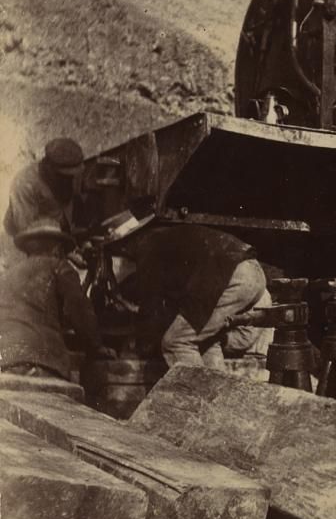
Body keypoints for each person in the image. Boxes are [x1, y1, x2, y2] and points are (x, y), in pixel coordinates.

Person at [103, 213, 273, 368]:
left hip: (231, 277)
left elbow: (151, 309)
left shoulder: (148, 247)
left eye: (118, 249)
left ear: (124, 244)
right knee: (204, 339)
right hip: (254, 272)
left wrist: (141, 345)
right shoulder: (166, 238)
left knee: (176, 342)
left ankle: (196, 399)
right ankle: (216, 396)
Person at [0, 218, 115, 380]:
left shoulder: (6, 276)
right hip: (39, 359)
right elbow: (79, 309)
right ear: (57, 248)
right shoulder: (59, 267)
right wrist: (97, 347)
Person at [4, 138, 84, 245]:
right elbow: (28, 235)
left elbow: (74, 200)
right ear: (51, 170)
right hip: (31, 236)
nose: (71, 180)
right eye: (66, 177)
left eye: (72, 176)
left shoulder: (71, 174)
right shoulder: (24, 185)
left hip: (61, 225)